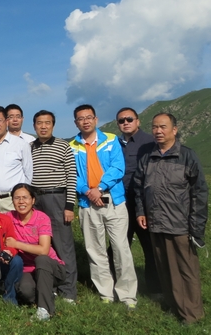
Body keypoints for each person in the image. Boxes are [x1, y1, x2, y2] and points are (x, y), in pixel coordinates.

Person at [134, 113, 208, 324]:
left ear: (174, 129)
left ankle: (192, 314)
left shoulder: (186, 156)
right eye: (155, 127)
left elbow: (199, 193)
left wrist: (196, 227)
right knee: (164, 268)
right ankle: (173, 305)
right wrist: (140, 211)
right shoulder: (148, 157)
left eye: (163, 127)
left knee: (186, 270)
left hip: (180, 224)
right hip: (156, 223)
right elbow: (139, 187)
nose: (158, 131)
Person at [69, 104, 137, 309]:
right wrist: (88, 191)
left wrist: (99, 188)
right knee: (95, 249)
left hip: (113, 200)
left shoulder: (110, 140)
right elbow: (72, 174)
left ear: (96, 119)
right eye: (81, 118)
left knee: (121, 248)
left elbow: (118, 167)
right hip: (87, 202)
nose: (85, 121)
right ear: (76, 123)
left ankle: (127, 295)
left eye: (89, 117)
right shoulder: (72, 146)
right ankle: (105, 292)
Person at [30, 110, 78, 303]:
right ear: (34, 126)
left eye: (47, 123)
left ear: (53, 125)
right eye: (39, 123)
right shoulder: (30, 147)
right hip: (36, 200)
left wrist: (69, 206)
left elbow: (72, 177)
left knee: (63, 245)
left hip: (56, 198)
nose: (43, 126)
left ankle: (69, 291)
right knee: (44, 245)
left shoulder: (63, 145)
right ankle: (53, 285)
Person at [111, 107, 159, 294]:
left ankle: (155, 288)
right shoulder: (114, 143)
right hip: (120, 201)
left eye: (129, 119)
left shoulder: (150, 142)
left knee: (149, 245)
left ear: (138, 121)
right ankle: (116, 284)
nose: (125, 123)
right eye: (121, 120)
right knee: (119, 244)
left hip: (143, 201)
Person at [6, 183, 66, 321]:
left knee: (41, 258)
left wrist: (16, 244)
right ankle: (47, 294)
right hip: (27, 269)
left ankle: (44, 310)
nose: (21, 201)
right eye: (17, 198)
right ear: (12, 201)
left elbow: (44, 250)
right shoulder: (9, 217)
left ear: (33, 200)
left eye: (25, 198)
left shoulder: (42, 218)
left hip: (51, 267)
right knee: (25, 292)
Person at [0, 105, 33, 213]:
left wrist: (23, 197)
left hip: (12, 200)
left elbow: (28, 173)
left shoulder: (20, 144)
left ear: (6, 121)